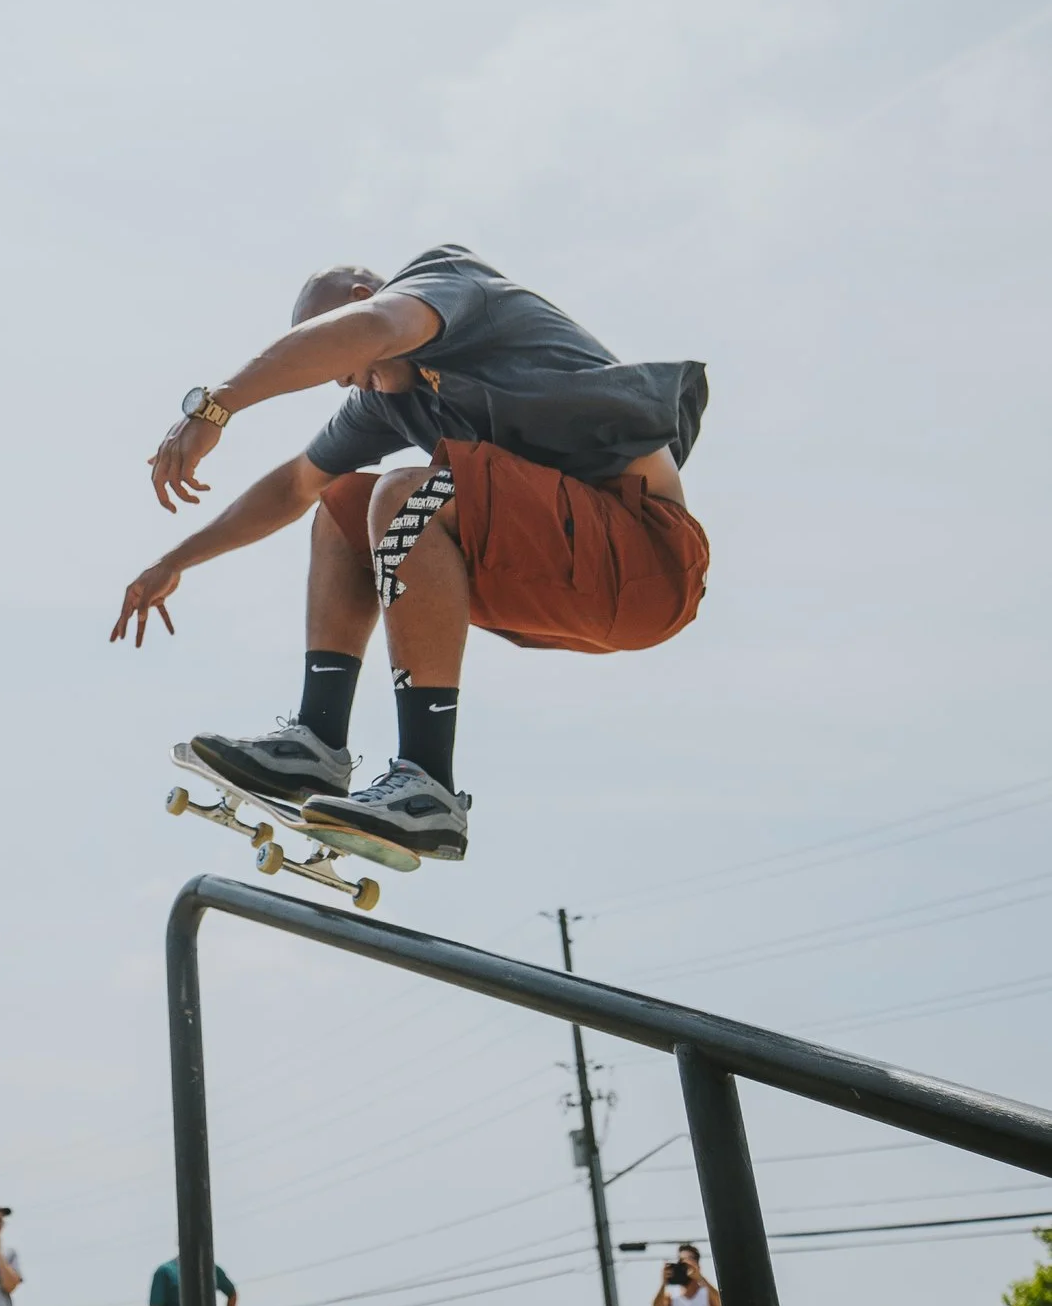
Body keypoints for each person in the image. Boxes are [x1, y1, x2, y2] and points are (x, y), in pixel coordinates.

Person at [112, 246, 710, 859]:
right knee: (343, 501)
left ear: (359, 299)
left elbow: (374, 329)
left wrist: (219, 404)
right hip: (564, 580)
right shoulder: (389, 401)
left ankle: (427, 785)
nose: (341, 379)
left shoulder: (448, 284)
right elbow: (295, 484)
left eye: (334, 362)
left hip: (644, 560)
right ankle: (316, 742)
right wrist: (174, 561)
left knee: (406, 495)